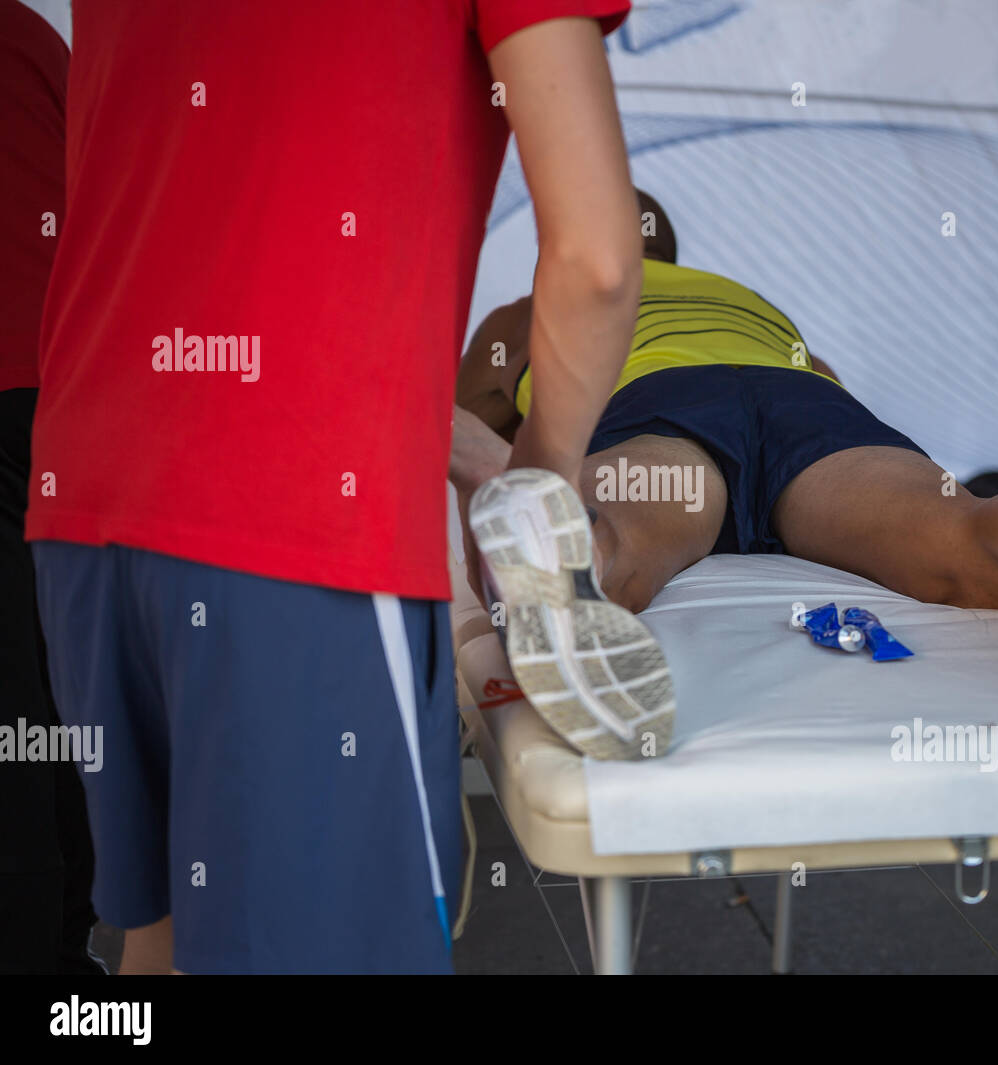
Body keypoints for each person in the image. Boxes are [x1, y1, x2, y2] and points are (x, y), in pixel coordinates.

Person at [458, 190, 998, 971]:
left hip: (659, 396)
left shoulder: (533, 308)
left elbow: (457, 429)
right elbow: (823, 376)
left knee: (633, 529)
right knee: (963, 533)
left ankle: (577, 562)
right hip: (801, 401)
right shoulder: (747, 301)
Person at [28, 0, 641, 974]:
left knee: (162, 942)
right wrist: (538, 489)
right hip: (292, 523)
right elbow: (600, 260)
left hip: (86, 490)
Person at [0, 0, 102, 976]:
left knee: (13, 696)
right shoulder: (38, 41)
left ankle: (35, 955)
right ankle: (67, 939)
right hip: (62, 396)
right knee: (52, 675)